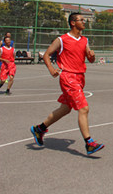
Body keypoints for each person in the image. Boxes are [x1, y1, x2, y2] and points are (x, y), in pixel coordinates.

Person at [30, 13, 104, 155]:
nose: (84, 22)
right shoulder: (62, 39)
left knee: (65, 109)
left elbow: (90, 59)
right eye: (81, 20)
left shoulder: (84, 40)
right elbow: (46, 55)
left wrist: (92, 56)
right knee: (84, 108)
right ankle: (89, 143)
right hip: (68, 77)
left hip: (80, 77)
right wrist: (51, 69)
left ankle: (39, 129)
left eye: (84, 20)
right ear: (73, 23)